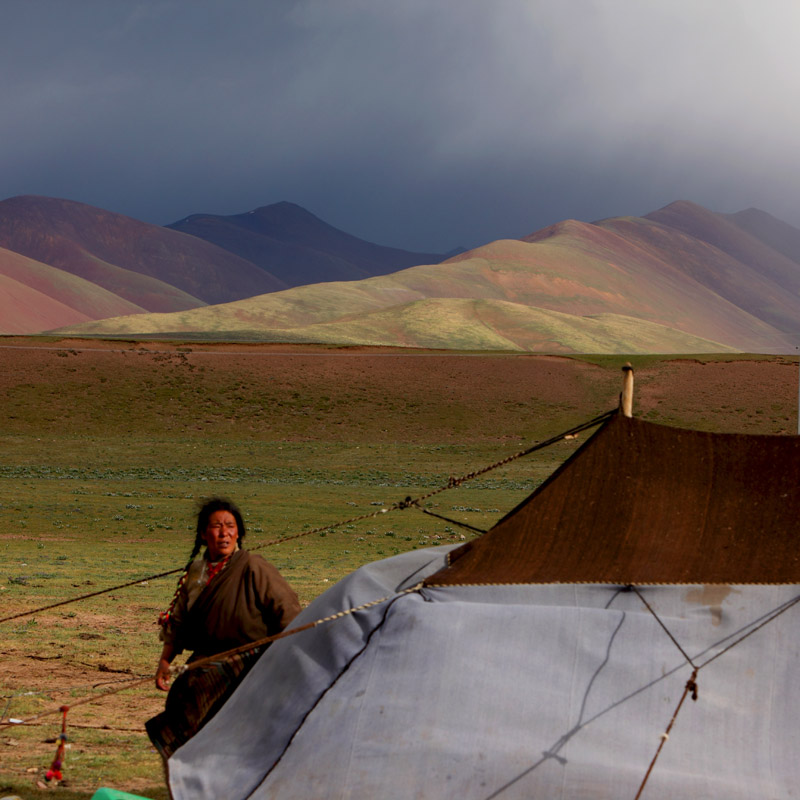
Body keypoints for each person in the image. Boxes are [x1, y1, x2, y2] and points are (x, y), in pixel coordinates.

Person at [146, 498, 301, 758]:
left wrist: (289, 656)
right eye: (216, 526)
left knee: (199, 695)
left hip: (250, 656)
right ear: (204, 534)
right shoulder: (195, 572)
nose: (224, 532)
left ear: (238, 532)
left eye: (230, 526)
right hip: (207, 656)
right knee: (181, 693)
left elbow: (287, 610)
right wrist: (165, 660)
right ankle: (191, 762)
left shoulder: (253, 566)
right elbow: (179, 620)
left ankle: (203, 759)